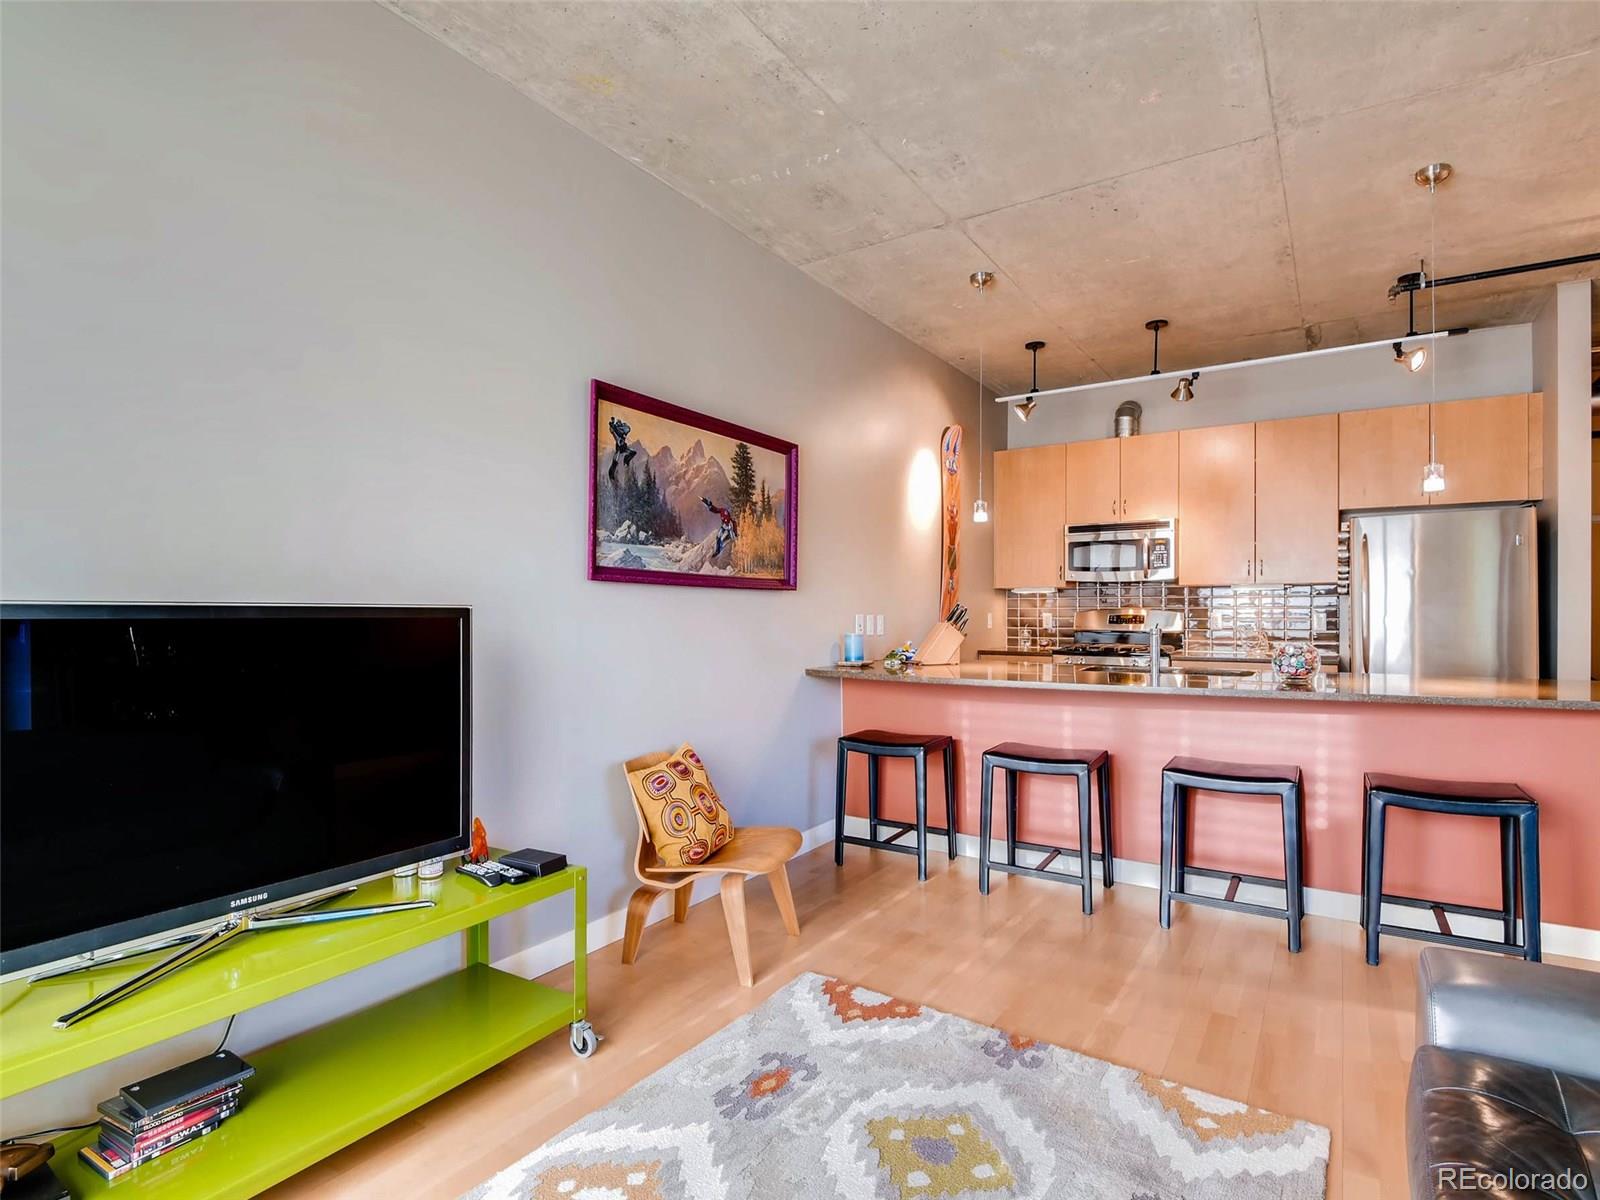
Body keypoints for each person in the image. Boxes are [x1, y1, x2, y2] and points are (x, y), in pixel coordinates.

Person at [607, 416, 637, 481]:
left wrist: (615, 426)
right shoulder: (616, 432)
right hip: (619, 447)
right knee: (614, 462)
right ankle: (611, 476)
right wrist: (612, 424)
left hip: (623, 447)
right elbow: (612, 431)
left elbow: (627, 429)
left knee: (633, 452)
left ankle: (626, 460)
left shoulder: (622, 429)